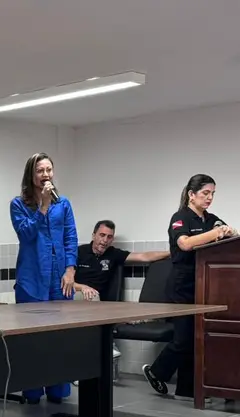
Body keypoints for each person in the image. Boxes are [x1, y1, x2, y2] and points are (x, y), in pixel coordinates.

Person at [143, 174, 237, 399]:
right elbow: (184, 244)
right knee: (184, 338)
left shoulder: (210, 219)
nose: (210, 198)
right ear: (191, 194)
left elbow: (229, 232)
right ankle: (156, 371)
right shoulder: (180, 217)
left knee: (197, 338)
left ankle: (187, 389)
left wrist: (230, 231)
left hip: (203, 284)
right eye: (205, 193)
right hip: (181, 285)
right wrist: (214, 234)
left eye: (212, 194)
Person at [10, 152, 78, 404]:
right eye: (40, 170)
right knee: (33, 338)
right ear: (31, 175)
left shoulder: (64, 203)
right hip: (31, 279)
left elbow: (70, 237)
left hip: (59, 278)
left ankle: (58, 391)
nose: (46, 175)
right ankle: (32, 391)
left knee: (60, 337)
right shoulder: (18, 204)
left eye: (49, 170)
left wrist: (70, 270)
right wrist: (43, 207)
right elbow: (25, 235)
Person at [73, 220, 170, 301]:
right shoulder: (78, 252)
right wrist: (82, 287)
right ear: (94, 236)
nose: (105, 240)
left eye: (109, 237)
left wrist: (172, 252)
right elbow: (66, 281)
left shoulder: (113, 253)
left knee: (93, 296)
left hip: (97, 298)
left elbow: (144, 256)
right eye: (102, 235)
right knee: (90, 296)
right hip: (77, 292)